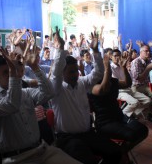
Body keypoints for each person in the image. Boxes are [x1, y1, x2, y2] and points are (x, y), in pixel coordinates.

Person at [0, 48, 81, 164]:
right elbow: (12, 104)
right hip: (17, 158)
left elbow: (49, 92)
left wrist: (35, 67)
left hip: (42, 150)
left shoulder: (24, 92)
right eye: (6, 72)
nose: (12, 73)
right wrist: (14, 75)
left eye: (12, 69)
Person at [51, 32, 122, 164]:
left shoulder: (82, 82)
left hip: (87, 134)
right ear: (62, 73)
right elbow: (55, 76)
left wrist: (95, 51)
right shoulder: (57, 89)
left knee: (116, 152)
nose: (75, 74)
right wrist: (60, 49)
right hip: (67, 138)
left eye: (76, 71)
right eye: (71, 72)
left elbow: (99, 72)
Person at [88, 53, 148, 153]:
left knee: (143, 130)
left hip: (119, 117)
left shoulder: (111, 81)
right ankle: (120, 155)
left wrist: (124, 68)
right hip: (105, 123)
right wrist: (107, 69)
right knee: (132, 134)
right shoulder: (92, 84)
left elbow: (127, 83)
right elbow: (103, 89)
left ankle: (121, 151)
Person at [130, 45, 152, 124]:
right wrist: (148, 68)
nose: (148, 53)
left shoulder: (148, 61)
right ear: (140, 52)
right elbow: (138, 78)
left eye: (149, 51)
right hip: (136, 86)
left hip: (145, 85)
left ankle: (151, 114)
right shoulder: (136, 62)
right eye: (146, 51)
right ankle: (132, 114)